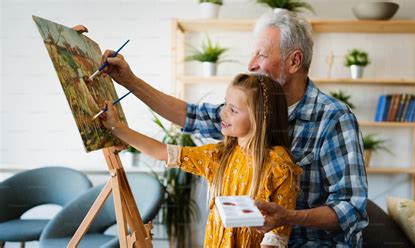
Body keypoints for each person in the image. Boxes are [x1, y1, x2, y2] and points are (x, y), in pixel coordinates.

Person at [97, 9, 368, 247]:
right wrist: (129, 81)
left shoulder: (334, 119)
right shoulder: (240, 119)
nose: (251, 64)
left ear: (294, 62)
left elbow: (352, 209)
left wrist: (289, 217)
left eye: (261, 54)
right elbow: (189, 116)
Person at [100, 73, 302, 247]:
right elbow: (165, 152)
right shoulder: (219, 155)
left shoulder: (280, 166)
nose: (223, 112)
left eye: (233, 110)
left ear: (261, 117)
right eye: (225, 104)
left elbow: (276, 238)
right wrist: (117, 128)